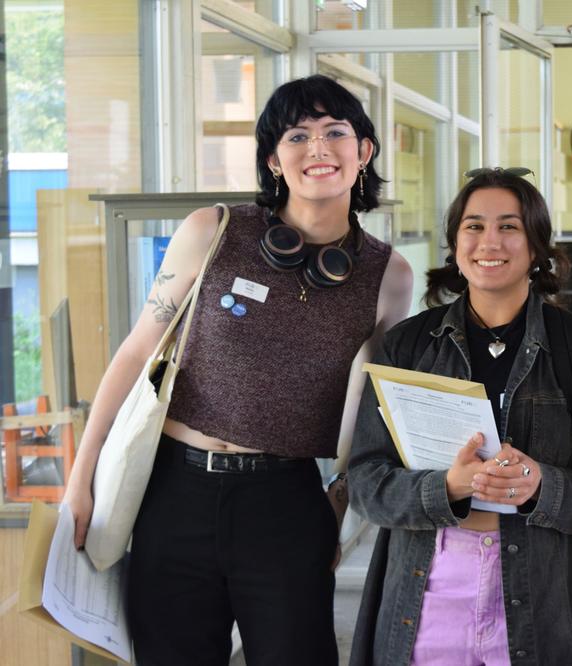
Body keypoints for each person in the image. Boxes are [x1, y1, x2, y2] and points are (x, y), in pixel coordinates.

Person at [62, 75, 413, 665]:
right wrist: (80, 479)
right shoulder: (214, 230)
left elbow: (372, 401)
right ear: (274, 160)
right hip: (174, 493)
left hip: (285, 502)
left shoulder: (389, 275)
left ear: (364, 151)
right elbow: (136, 352)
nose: (318, 148)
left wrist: (340, 497)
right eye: (296, 136)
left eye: (335, 132)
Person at [348, 168, 572, 665]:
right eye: (474, 226)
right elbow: (364, 481)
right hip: (430, 585)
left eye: (509, 226)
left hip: (546, 592)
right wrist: (446, 487)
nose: (490, 242)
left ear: (536, 246)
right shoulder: (408, 348)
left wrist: (543, 485)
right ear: (455, 243)